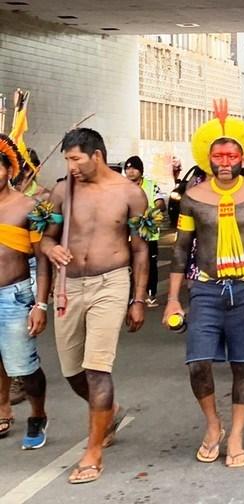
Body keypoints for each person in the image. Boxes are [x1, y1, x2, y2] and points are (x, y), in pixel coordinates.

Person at [164, 103, 244, 469]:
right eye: (218, 155)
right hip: (206, 289)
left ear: (243, 156)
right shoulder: (193, 198)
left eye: (231, 154)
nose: (225, 160)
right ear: (208, 158)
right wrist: (172, 300)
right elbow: (181, 251)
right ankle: (213, 426)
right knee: (198, 363)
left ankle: (236, 437)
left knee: (243, 365)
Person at [41, 128, 149, 483]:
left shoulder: (130, 194)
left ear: (96, 155)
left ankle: (93, 453)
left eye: (75, 158)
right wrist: (49, 249)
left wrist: (137, 299)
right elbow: (46, 238)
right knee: (73, 373)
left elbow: (139, 248)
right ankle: (111, 411)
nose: (70, 166)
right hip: (68, 286)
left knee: (97, 368)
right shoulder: (62, 192)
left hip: (111, 282)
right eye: (67, 160)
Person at [0, 134, 50, 449]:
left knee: (24, 368)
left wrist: (40, 304)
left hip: (15, 296)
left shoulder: (28, 207)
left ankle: (37, 414)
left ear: (8, 169)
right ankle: (2, 407)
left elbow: (43, 259)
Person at [123, 156, 166, 307]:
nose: (130, 171)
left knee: (150, 264)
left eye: (134, 168)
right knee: (127, 265)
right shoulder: (120, 186)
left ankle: (150, 294)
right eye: (128, 168)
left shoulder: (151, 185)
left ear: (140, 171)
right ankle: (129, 295)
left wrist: (152, 211)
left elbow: (160, 202)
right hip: (127, 233)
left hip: (149, 232)